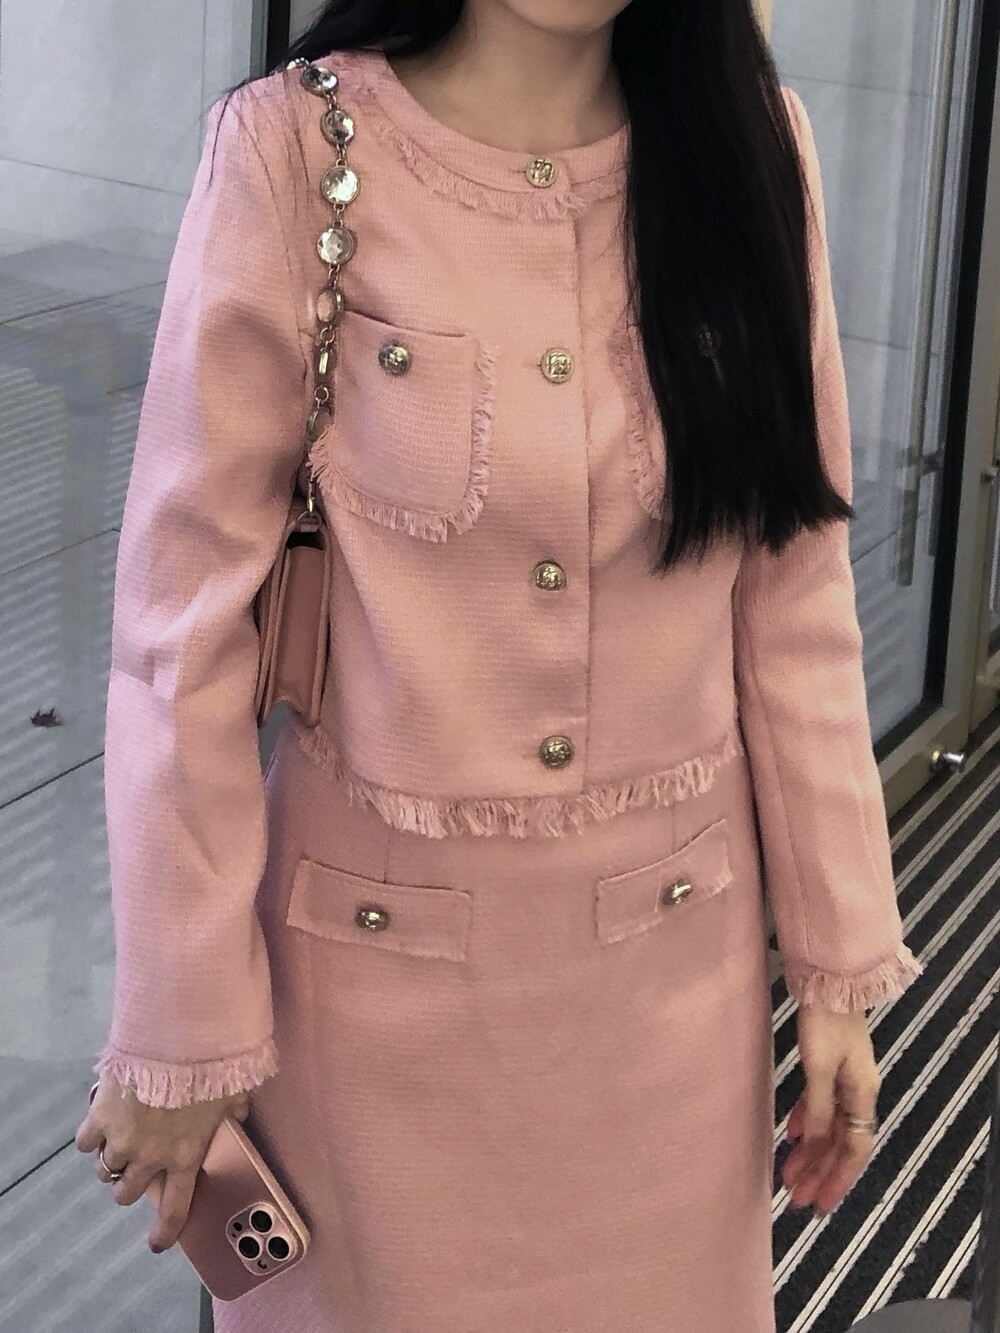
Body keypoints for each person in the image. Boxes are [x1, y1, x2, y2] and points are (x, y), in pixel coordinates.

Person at [74, 1, 925, 1328]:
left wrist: (838, 964)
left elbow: (793, 589)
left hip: (667, 1002)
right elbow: (179, 636)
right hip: (370, 1009)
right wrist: (183, 1019)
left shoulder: (755, 149)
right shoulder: (299, 150)